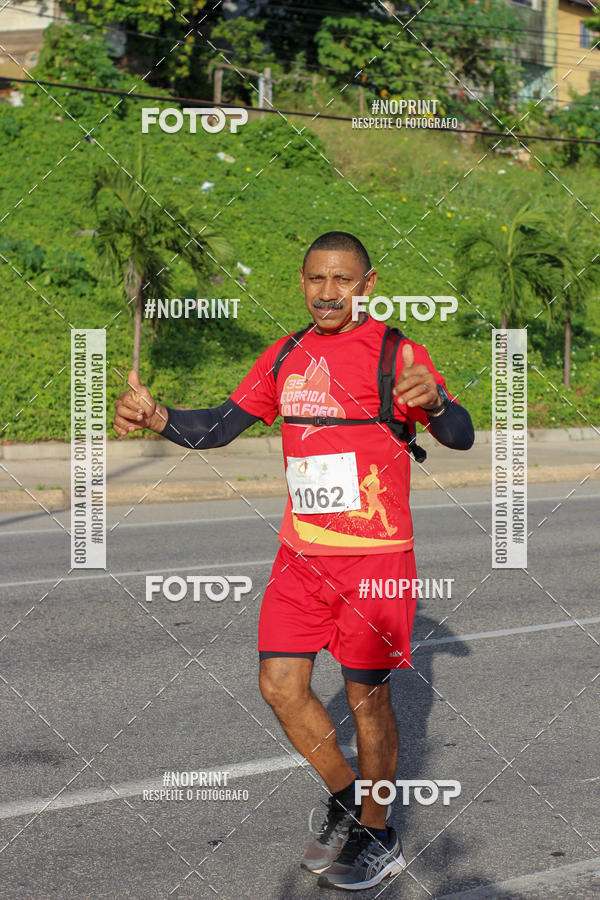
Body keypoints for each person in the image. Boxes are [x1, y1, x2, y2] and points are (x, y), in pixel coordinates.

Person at [113, 231, 474, 891]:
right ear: (302, 282)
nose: (327, 292)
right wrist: (158, 415)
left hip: (373, 563)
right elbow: (219, 425)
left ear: (367, 285)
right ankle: (347, 798)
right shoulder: (285, 355)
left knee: (367, 701)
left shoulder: (396, 354)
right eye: (315, 279)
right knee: (279, 685)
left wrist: (438, 402)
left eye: (342, 280)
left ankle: (379, 834)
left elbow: (460, 435)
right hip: (300, 559)